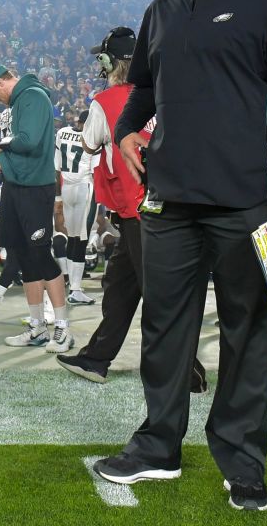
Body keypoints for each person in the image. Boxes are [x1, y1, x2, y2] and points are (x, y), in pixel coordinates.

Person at [91, 0, 267, 514]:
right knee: (165, 330)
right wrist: (125, 132)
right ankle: (159, 446)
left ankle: (242, 463)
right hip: (169, 201)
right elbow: (142, 89)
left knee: (246, 335)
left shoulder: (262, 4)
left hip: (244, 199)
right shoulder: (160, 11)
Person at [56, 27, 207, 390]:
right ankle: (96, 358)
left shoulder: (105, 101)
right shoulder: (163, 95)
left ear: (110, 62)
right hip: (163, 206)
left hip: (138, 210)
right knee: (121, 286)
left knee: (159, 295)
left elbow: (91, 145)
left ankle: (189, 372)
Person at [0, 65, 71, 352]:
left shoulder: (32, 96)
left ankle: (63, 329)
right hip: (19, 185)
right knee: (26, 257)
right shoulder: (23, 100)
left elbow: (28, 141)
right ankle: (37, 326)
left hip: (34, 187)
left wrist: (2, 144)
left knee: (41, 255)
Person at [54, 109, 96, 305]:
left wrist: (58, 197)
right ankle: (75, 289)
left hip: (66, 188)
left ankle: (72, 286)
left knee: (72, 237)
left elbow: (56, 168)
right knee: (80, 239)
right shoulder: (92, 139)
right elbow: (96, 170)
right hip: (84, 188)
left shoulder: (62, 132)